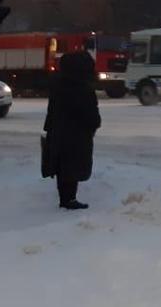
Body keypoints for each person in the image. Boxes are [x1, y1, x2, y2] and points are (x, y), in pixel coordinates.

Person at [43, 51, 101, 210]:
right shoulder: (82, 86)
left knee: (62, 166)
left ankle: (65, 198)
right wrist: (94, 124)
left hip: (58, 130)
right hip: (77, 133)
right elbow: (89, 112)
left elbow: (52, 109)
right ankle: (70, 199)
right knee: (74, 165)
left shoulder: (57, 83)